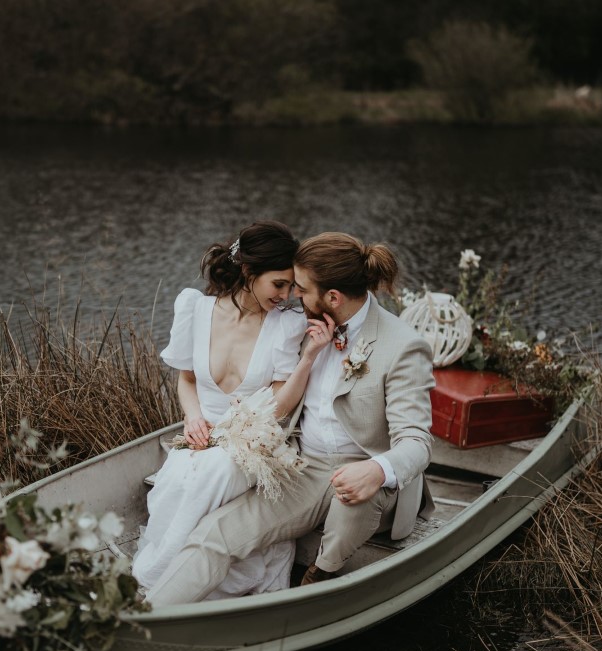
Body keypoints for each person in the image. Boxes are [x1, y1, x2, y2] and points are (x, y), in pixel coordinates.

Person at [146, 231, 436, 606]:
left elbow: (417, 442)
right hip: (304, 468)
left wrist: (378, 470)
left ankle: (319, 579)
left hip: (368, 474)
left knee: (353, 502)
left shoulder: (403, 345)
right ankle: (146, 617)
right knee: (215, 536)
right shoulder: (303, 327)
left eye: (300, 288)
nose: (292, 298)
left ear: (332, 297)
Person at [132, 221, 331, 599]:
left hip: (252, 441)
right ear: (247, 270)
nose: (287, 294)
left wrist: (307, 360)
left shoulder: (285, 325)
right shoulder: (195, 307)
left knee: (216, 470)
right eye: (279, 284)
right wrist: (192, 417)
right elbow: (186, 379)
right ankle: (165, 576)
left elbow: (280, 405)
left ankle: (163, 586)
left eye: (291, 286)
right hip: (201, 433)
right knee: (182, 475)